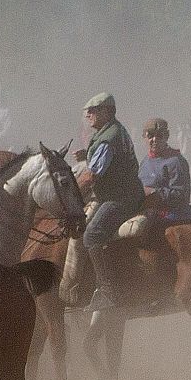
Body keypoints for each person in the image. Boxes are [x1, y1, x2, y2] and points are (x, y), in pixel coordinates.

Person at [77, 93, 142, 312]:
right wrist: (86, 154)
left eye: (94, 110)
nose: (89, 114)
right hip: (124, 192)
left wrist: (72, 191)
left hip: (120, 197)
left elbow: (92, 175)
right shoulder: (113, 131)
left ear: (107, 111)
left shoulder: (109, 137)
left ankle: (108, 293)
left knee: (91, 235)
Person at [140, 118, 191, 222]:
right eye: (150, 135)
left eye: (159, 135)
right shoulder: (144, 162)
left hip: (172, 214)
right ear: (144, 137)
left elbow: (182, 196)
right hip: (147, 211)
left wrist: (153, 192)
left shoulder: (176, 161)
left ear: (167, 136)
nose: (155, 139)